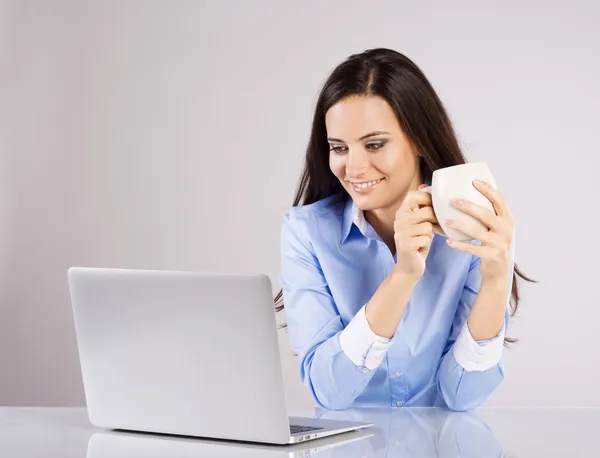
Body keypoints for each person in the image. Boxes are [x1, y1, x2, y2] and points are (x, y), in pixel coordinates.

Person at [276, 48, 535, 411]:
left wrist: (495, 282)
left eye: (374, 144)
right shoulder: (307, 233)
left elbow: (462, 397)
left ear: (417, 139)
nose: (354, 167)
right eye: (339, 148)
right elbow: (328, 389)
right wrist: (402, 276)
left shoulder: (475, 227)